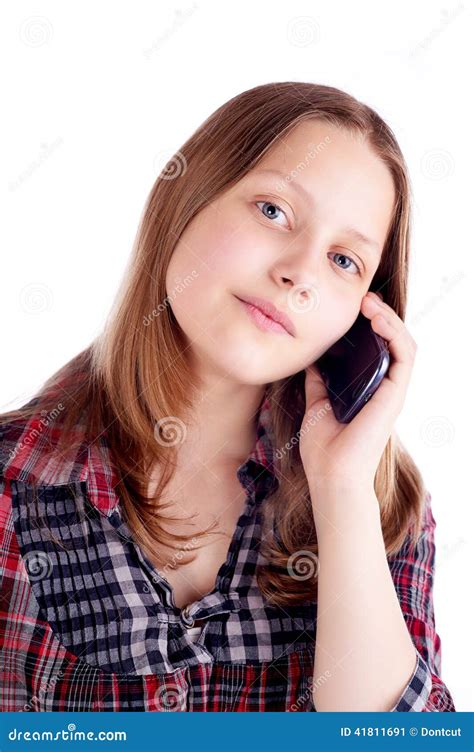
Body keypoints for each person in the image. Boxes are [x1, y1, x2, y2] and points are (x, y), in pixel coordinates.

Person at [0, 81, 455, 712]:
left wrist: (342, 489)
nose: (298, 271)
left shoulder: (385, 506)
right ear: (185, 199)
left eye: (345, 260)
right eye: (273, 211)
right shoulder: (13, 478)